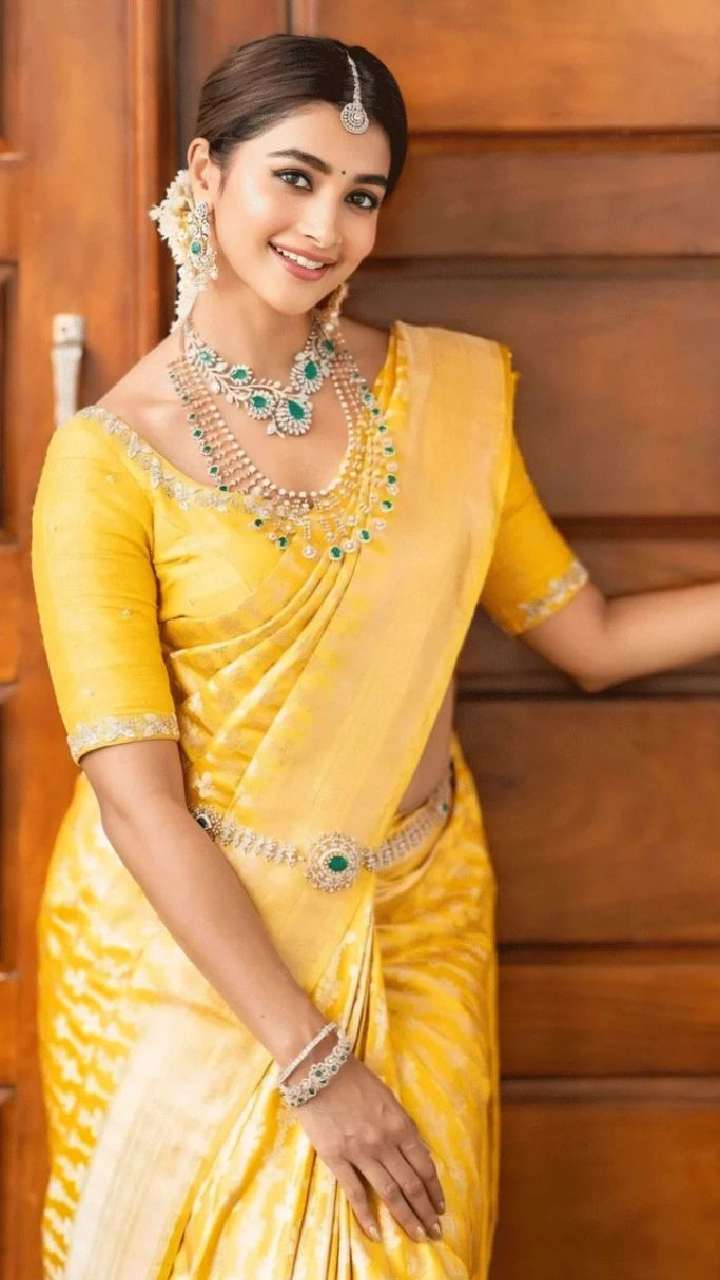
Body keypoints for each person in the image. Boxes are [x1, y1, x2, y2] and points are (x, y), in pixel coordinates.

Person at [31, 33, 720, 1280]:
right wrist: (315, 1063)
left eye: (361, 194)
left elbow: (591, 638)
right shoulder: (105, 460)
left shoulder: (447, 396)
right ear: (207, 172)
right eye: (294, 178)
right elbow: (137, 805)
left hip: (418, 919)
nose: (325, 227)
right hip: (192, 968)